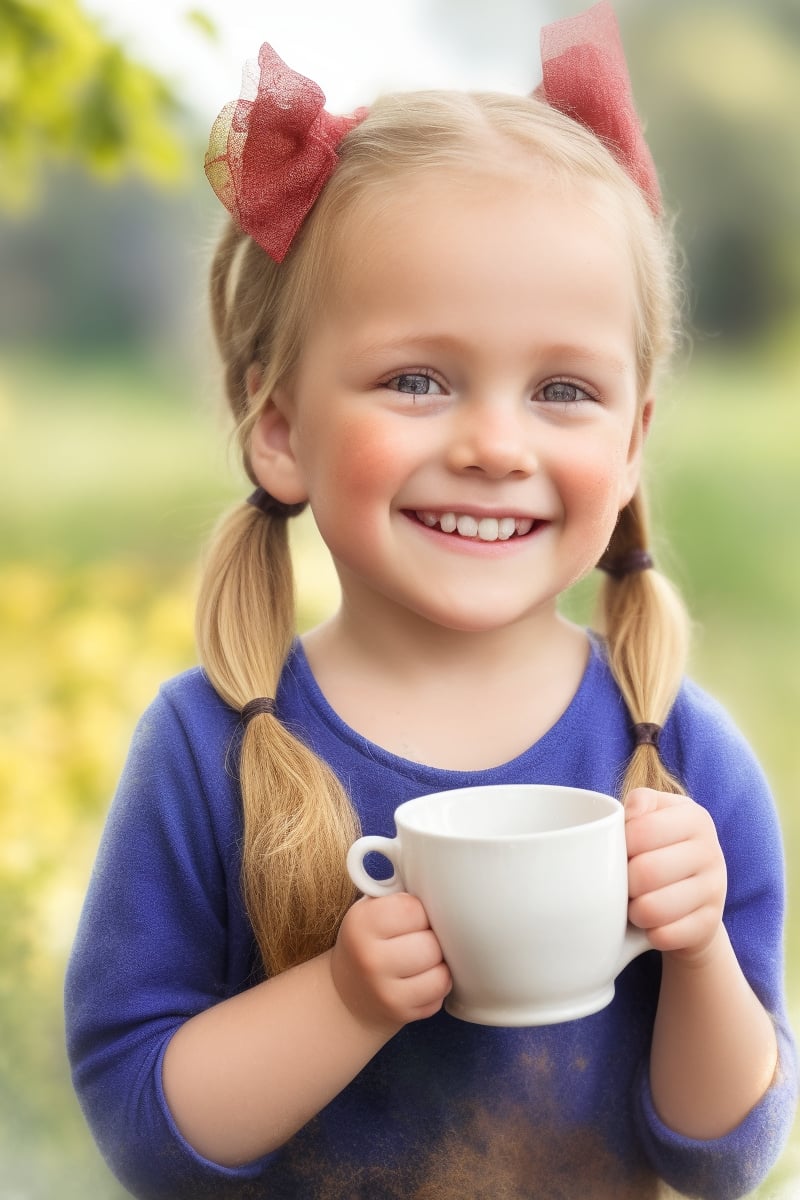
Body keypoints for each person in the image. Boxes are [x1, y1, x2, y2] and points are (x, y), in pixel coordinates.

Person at [65, 4, 797, 1197]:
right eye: (417, 379)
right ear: (282, 426)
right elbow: (147, 1135)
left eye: (561, 389)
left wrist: (700, 947)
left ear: (629, 450)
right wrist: (344, 998)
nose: (494, 445)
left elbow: (724, 1156)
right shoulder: (208, 752)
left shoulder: (679, 761)